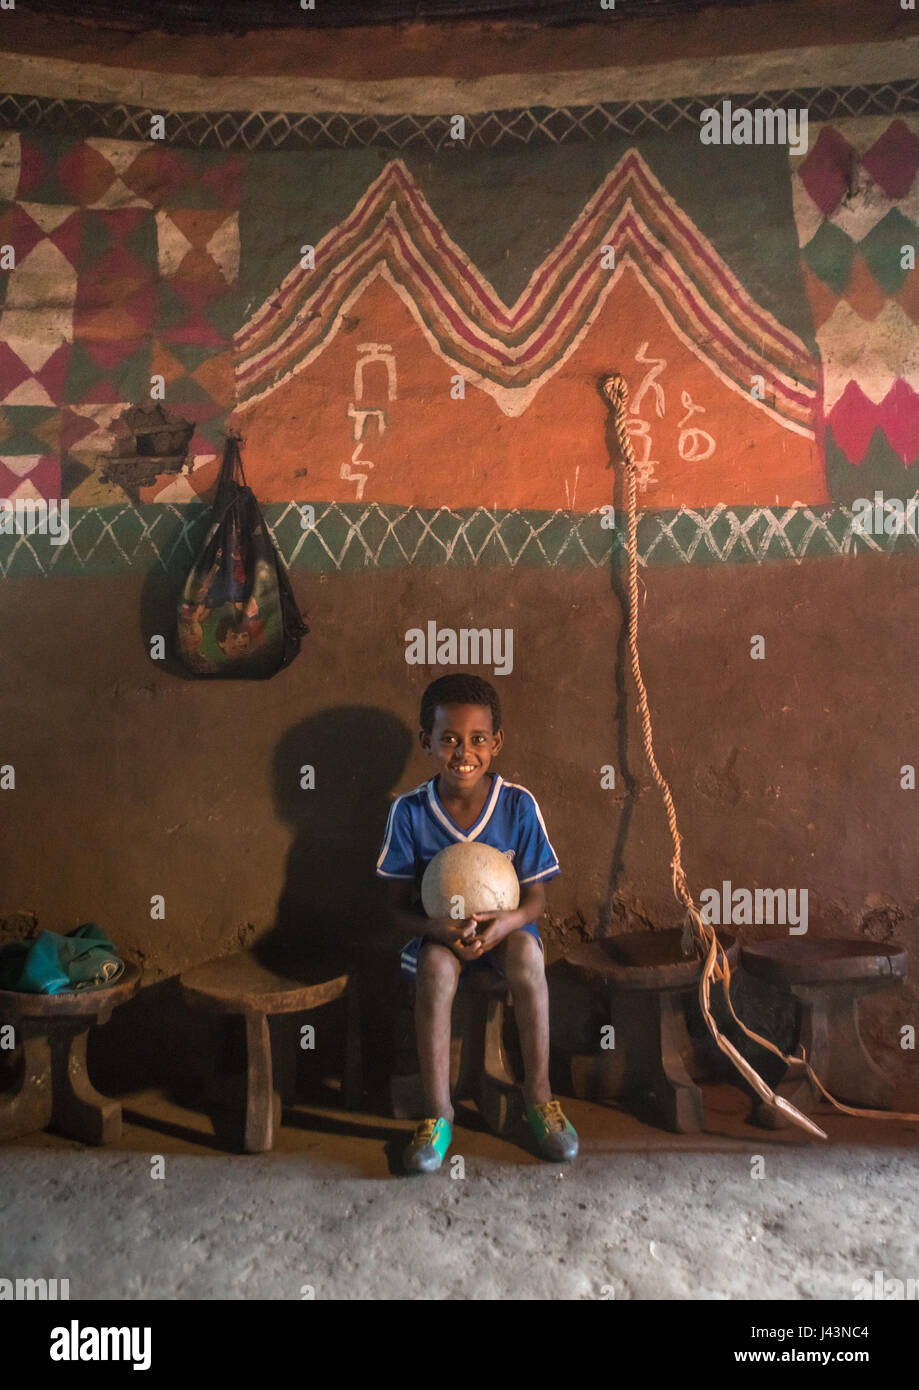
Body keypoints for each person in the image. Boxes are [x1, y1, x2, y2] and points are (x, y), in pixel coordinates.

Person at [377, 672, 578, 1172]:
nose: (463, 752)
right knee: (436, 971)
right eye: (448, 739)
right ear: (427, 742)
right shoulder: (408, 813)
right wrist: (436, 931)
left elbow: (536, 902)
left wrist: (507, 924)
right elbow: (395, 907)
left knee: (529, 956)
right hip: (440, 939)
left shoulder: (517, 805)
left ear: (497, 743)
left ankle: (539, 1098)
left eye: (477, 739)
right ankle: (437, 1113)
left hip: (504, 933)